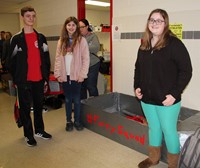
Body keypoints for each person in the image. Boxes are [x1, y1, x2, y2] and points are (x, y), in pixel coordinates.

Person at [134, 9, 192, 168]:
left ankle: (173, 164)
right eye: (152, 20)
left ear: (165, 24)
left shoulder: (174, 44)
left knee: (169, 131)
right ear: (148, 23)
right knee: (153, 128)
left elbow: (186, 71)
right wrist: (137, 86)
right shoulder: (144, 44)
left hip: (167, 100)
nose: (154, 23)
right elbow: (138, 68)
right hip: (147, 98)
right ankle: (153, 158)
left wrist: (174, 94)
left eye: (159, 20)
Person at [9, 6, 52, 147]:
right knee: (25, 109)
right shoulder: (16, 39)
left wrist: (45, 78)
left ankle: (39, 130)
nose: (31, 18)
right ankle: (28, 135)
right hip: (23, 81)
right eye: (28, 16)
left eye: (33, 16)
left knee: (39, 107)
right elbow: (11, 61)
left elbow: (46, 59)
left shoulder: (41, 38)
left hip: (39, 79)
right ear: (22, 17)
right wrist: (16, 80)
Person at [54, 16, 89, 132]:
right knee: (68, 100)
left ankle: (77, 121)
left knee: (77, 100)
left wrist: (82, 74)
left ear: (76, 27)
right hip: (65, 76)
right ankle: (69, 121)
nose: (71, 27)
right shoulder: (61, 41)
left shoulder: (81, 40)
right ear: (66, 26)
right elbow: (58, 58)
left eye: (73, 25)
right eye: (69, 25)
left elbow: (86, 59)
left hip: (77, 76)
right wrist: (58, 73)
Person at [79, 19, 100, 99]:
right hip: (82, 66)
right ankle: (83, 107)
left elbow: (96, 48)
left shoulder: (93, 36)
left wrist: (83, 47)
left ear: (87, 26)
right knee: (82, 87)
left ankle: (95, 106)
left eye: (82, 27)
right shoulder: (78, 38)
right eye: (79, 27)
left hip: (93, 64)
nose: (80, 29)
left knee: (91, 86)